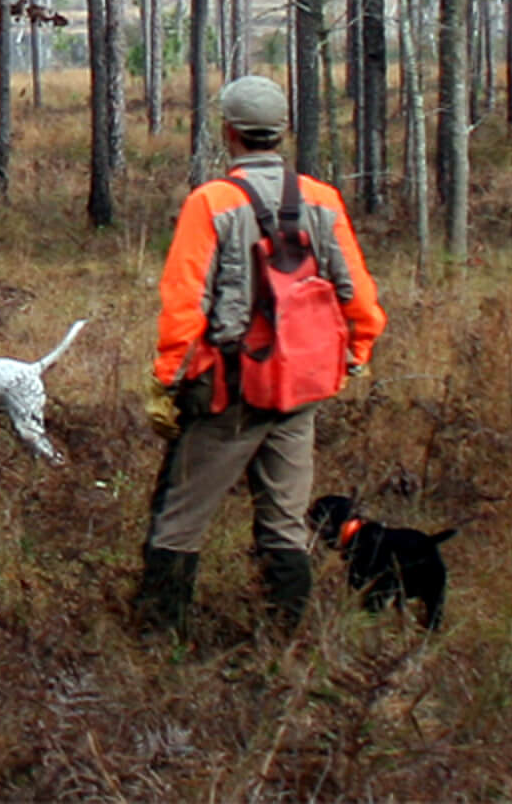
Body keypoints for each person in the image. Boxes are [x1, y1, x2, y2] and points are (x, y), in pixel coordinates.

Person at [134, 75, 385, 637]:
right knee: (285, 526)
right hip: (302, 390)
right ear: (280, 131)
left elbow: (184, 305)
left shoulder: (213, 203)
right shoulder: (323, 199)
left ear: (229, 132)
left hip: (230, 393)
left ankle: (154, 649)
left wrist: (166, 384)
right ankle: (280, 647)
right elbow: (359, 296)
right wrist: (356, 353)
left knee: (177, 521)